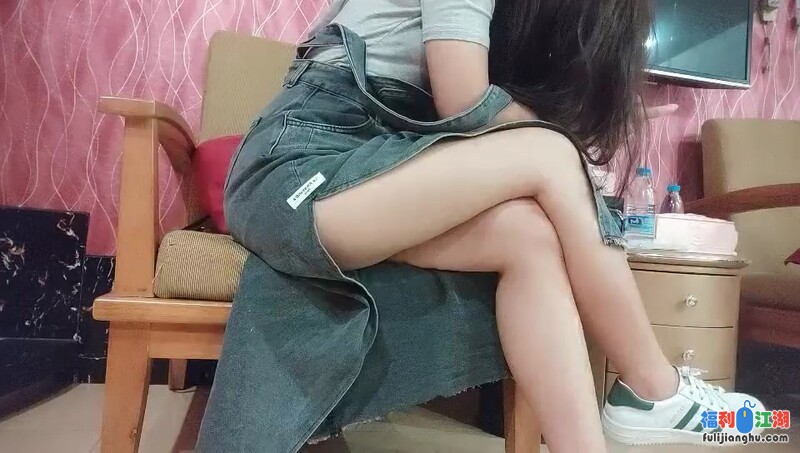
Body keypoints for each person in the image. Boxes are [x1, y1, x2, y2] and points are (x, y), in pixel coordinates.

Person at [222, 0, 764, 451]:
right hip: (299, 175)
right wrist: (563, 142)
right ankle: (654, 390)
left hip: (372, 170)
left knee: (530, 235)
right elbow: (463, 99)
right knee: (551, 153)